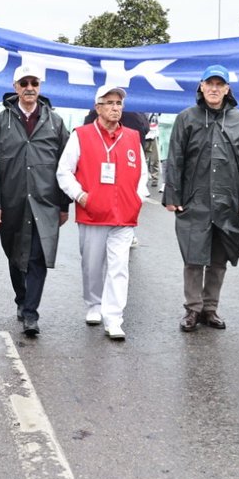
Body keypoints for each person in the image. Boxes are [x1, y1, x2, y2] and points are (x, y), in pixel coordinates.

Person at [163, 66, 239, 332]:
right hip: (194, 199)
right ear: (201, 86)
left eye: (220, 84)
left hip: (227, 200)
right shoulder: (187, 117)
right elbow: (175, 158)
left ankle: (210, 308)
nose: (214, 89)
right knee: (194, 256)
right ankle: (192, 309)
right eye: (210, 84)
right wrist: (172, 194)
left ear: (227, 89)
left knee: (219, 258)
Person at [0, 65, 71, 336]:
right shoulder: (1, 122)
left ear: (40, 87)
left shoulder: (55, 122)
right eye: (24, 83)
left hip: (45, 203)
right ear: (16, 87)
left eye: (34, 83)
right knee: (15, 256)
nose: (30, 88)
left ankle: (31, 313)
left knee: (37, 257)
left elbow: (66, 165)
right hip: (12, 203)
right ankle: (21, 299)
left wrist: (64, 204)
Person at [56, 84, 148, 340]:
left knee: (119, 267)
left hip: (124, 216)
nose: (115, 108)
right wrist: (80, 195)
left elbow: (143, 173)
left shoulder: (132, 137)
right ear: (98, 107)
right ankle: (94, 304)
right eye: (110, 103)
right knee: (92, 265)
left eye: (119, 103)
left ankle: (114, 317)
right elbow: (64, 171)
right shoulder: (81, 135)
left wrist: (138, 198)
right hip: (93, 214)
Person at [143, 113, 161, 189]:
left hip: (154, 136)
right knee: (143, 160)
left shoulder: (157, 112)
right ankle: (144, 178)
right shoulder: (144, 113)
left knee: (155, 159)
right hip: (145, 137)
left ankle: (155, 178)